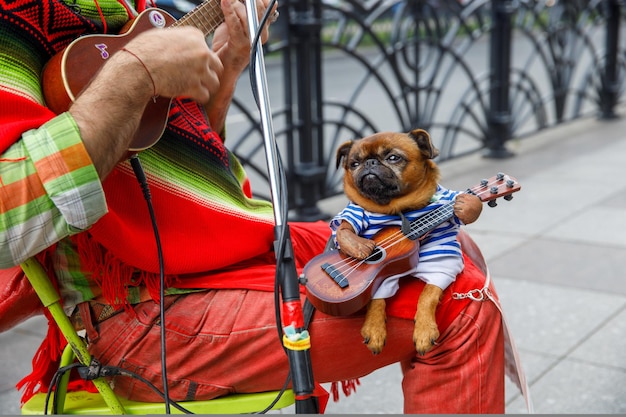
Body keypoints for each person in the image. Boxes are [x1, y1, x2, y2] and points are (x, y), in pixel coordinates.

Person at [0, 0, 510, 413]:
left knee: (449, 241)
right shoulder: (14, 18)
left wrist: (226, 72)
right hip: (139, 309)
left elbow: (167, 164)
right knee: (464, 304)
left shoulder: (128, 7)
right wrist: (136, 73)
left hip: (211, 246)